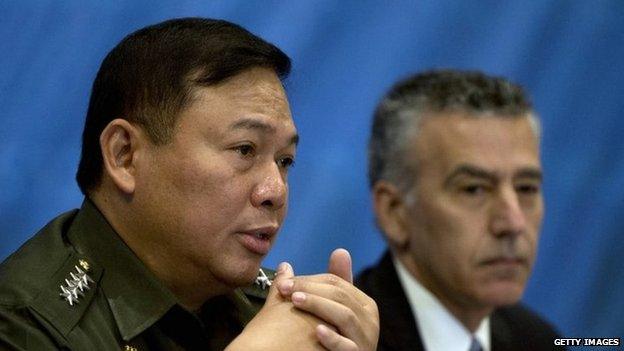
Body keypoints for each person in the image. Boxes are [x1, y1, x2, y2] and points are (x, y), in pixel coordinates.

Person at [0, 18, 379, 351]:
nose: (275, 191)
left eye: (285, 161)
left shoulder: (278, 313)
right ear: (124, 155)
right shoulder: (22, 326)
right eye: (244, 150)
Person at [355, 70, 563, 351]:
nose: (513, 223)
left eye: (526, 188)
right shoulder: (341, 340)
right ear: (395, 212)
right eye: (474, 189)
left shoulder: (539, 341)